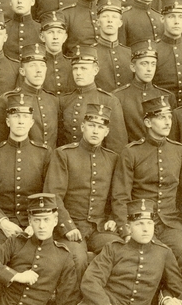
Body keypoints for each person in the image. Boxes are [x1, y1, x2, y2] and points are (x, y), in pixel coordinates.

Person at [0, 199, 182, 305]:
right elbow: (91, 281)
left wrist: (167, 298)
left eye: (149, 223)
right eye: (139, 224)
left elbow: (176, 287)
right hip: (99, 303)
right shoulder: (113, 248)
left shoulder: (164, 253)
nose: (145, 229)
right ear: (128, 226)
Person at [0, 93, 73, 256]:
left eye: (25, 117)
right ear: (8, 121)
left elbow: (50, 194)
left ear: (31, 122)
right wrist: (2, 222)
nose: (20, 121)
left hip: (36, 225)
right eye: (16, 116)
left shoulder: (44, 154)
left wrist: (36, 224)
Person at [111, 95, 182, 270]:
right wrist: (126, 230)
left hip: (171, 223)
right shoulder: (131, 152)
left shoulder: (180, 151)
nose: (168, 122)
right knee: (150, 258)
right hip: (139, 222)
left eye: (169, 117)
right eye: (161, 117)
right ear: (148, 122)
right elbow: (120, 196)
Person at [44, 104, 124, 256]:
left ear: (106, 132)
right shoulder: (64, 154)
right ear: (82, 127)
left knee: (119, 251)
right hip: (72, 226)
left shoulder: (112, 158)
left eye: (100, 127)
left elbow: (117, 196)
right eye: (91, 125)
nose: (95, 131)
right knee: (77, 258)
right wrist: (67, 227)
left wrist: (113, 218)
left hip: (99, 228)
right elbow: (53, 196)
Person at [0, 45, 59, 149]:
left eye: (42, 65)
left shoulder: (53, 100)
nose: (39, 70)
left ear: (46, 69)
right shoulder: (7, 100)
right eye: (32, 65)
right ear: (22, 71)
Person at [57, 44, 128, 154]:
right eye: (75, 68)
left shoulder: (109, 101)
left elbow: (117, 145)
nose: (78, 73)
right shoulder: (64, 100)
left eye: (83, 68)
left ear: (95, 70)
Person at [114, 40, 173, 143]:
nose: (149, 69)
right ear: (133, 67)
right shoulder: (118, 97)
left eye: (153, 64)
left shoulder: (166, 96)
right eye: (144, 64)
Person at [93, 0, 132, 92]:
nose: (110, 20)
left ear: (120, 23)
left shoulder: (129, 53)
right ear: (98, 22)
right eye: (105, 16)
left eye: (114, 17)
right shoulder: (91, 54)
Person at [36, 11, 74, 96]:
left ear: (65, 37)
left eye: (59, 32)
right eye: (50, 32)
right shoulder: (36, 66)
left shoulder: (72, 65)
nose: (55, 37)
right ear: (42, 37)